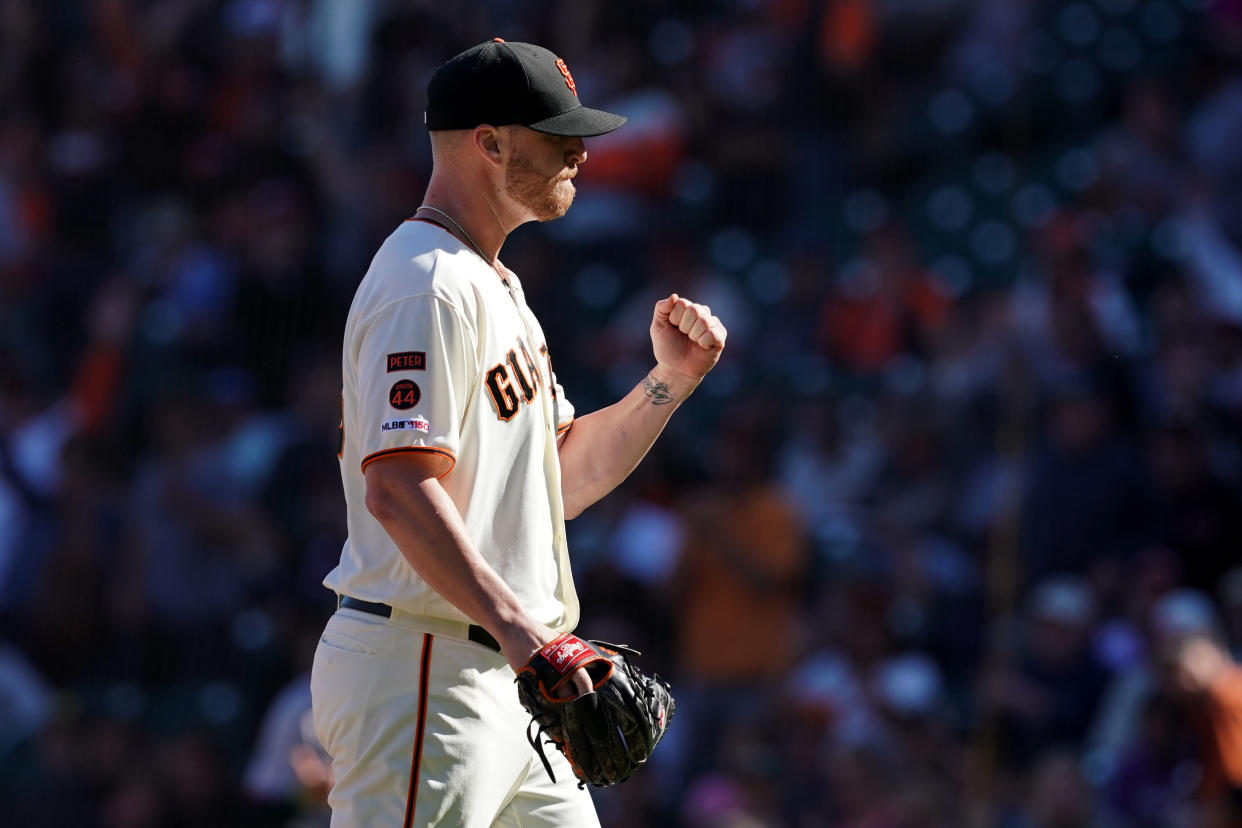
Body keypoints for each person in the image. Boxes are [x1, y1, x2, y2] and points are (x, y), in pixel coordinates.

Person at [309, 39, 727, 827]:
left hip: (512, 672)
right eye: (556, 133)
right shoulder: (426, 280)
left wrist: (668, 382)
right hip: (427, 665)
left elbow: (558, 481)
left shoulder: (493, 282)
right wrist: (525, 637)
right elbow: (398, 486)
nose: (579, 151)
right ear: (489, 143)